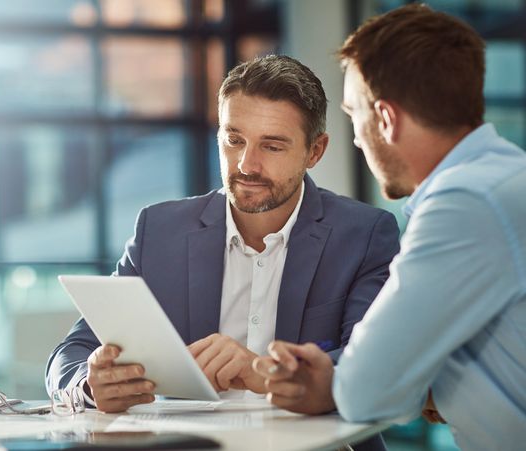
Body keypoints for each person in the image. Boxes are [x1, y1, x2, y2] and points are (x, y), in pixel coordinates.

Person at [46, 55, 399, 420]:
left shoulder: (364, 235)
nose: (247, 164)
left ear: (315, 151)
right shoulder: (159, 230)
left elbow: (371, 363)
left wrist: (261, 372)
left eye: (272, 146)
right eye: (234, 140)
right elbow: (72, 352)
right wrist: (90, 384)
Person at [253, 5, 526, 450]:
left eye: (353, 115)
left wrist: (339, 383)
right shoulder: (502, 178)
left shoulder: (465, 203)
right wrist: (427, 385)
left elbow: (367, 391)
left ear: (385, 118)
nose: (356, 138)